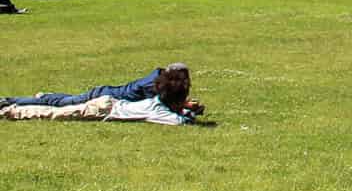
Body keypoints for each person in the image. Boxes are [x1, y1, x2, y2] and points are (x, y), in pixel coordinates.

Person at [3, 64, 203, 123]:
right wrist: (187, 111)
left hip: (107, 98)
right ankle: (9, 105)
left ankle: (35, 98)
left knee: (59, 102)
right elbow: (167, 113)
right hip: (102, 101)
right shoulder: (154, 92)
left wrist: (184, 106)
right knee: (56, 106)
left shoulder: (158, 82)